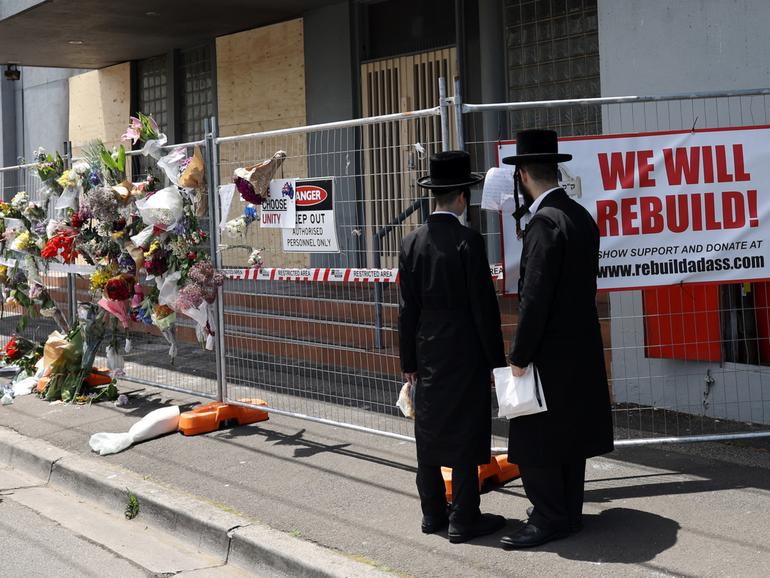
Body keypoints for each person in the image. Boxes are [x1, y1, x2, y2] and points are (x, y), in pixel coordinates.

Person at [498, 129, 614, 549]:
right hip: (580, 343)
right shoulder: (580, 215)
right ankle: (569, 512)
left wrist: (520, 354)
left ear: (524, 174)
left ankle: (548, 517)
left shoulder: (544, 224)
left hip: (549, 348)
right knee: (571, 433)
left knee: (538, 438)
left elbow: (535, 297)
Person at [399, 150, 507, 544]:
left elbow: (405, 310)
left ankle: (432, 513)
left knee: (427, 430)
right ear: (462, 197)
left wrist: (407, 361)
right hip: (465, 350)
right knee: (465, 431)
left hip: (426, 349)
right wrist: (496, 362)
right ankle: (464, 516)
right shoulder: (469, 241)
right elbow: (484, 308)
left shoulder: (411, 243)